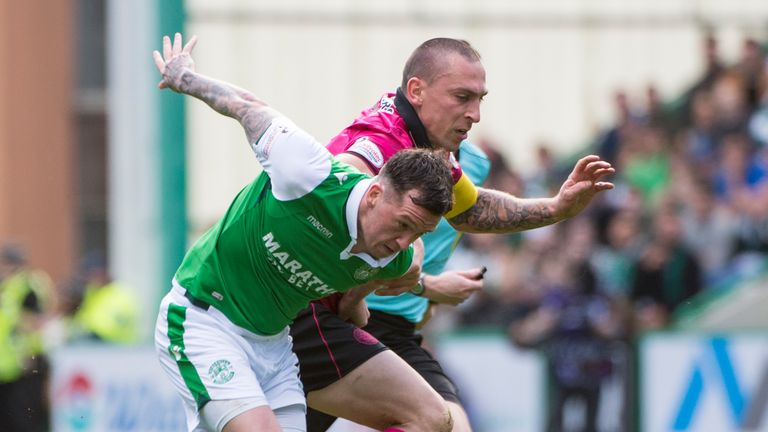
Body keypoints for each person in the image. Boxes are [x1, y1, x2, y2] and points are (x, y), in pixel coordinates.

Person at [284, 37, 616, 432]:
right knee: (429, 419)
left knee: (448, 425)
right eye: (462, 97)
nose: (474, 114)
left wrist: (557, 207)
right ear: (416, 91)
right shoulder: (379, 145)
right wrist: (418, 283)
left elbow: (471, 210)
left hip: (368, 319)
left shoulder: (428, 152)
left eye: (479, 99)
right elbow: (343, 201)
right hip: (311, 315)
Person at [151, 34, 456, 432]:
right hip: (204, 319)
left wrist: (364, 301)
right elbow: (249, 108)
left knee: (436, 421)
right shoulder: (310, 173)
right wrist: (185, 78)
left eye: (417, 233)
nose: (401, 242)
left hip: (274, 347)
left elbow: (370, 294)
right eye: (401, 225)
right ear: (375, 192)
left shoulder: (394, 257)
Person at [0, 243, 55, 432]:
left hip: (26, 363)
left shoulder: (28, 284)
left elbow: (39, 320)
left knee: (23, 418)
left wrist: (28, 350)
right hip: (8, 366)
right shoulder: (9, 285)